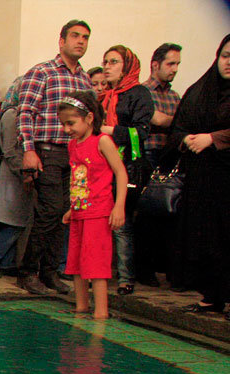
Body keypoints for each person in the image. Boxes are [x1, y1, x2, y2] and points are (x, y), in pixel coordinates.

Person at [16, 19, 92, 296]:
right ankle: (27, 272)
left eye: (85, 37)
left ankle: (50, 272)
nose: (80, 41)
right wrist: (29, 150)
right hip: (47, 151)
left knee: (65, 213)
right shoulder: (42, 72)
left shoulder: (85, 80)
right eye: (75, 36)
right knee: (48, 212)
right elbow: (26, 112)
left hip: (75, 156)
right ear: (62, 41)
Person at [169, 34, 230, 319]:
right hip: (202, 180)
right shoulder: (200, 90)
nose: (229, 62)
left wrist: (213, 138)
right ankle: (211, 297)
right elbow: (178, 128)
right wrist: (187, 139)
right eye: (225, 56)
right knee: (206, 238)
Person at [59, 90, 128, 319]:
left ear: (89, 118)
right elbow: (79, 179)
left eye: (71, 123)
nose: (67, 129)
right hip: (80, 211)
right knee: (76, 262)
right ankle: (82, 306)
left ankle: (101, 311)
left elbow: (120, 172)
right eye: (63, 124)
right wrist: (72, 208)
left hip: (99, 212)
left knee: (96, 263)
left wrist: (119, 206)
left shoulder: (102, 141)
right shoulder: (73, 145)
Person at [98, 45, 153, 295]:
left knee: (122, 222)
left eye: (114, 62)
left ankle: (125, 278)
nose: (107, 67)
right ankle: (99, 273)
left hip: (127, 166)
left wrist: (110, 131)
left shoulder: (139, 93)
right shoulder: (104, 95)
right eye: (105, 62)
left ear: (127, 66)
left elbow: (142, 132)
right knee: (100, 220)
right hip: (102, 164)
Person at [0, 78, 33, 277]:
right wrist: (25, 171)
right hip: (13, 175)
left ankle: (6, 262)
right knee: (15, 221)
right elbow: (10, 150)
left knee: (18, 219)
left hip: (19, 174)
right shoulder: (12, 115)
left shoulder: (24, 114)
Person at [140, 43, 182, 284]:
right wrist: (177, 122)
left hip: (170, 158)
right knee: (148, 214)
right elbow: (156, 119)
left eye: (177, 64)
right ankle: (144, 269)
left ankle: (165, 267)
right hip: (148, 155)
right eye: (170, 63)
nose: (174, 69)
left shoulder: (174, 96)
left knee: (169, 212)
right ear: (155, 65)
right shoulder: (143, 92)